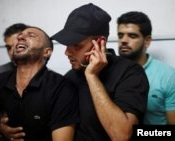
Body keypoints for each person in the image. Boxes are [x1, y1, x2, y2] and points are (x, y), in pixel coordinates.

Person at [51, 3, 149, 141]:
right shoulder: (69, 77)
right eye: (67, 44)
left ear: (99, 42)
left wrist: (92, 76)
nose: (67, 52)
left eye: (76, 45)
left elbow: (121, 136)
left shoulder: (130, 72)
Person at [117, 11, 175, 125]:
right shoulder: (107, 71)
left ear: (147, 41)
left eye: (132, 36)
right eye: (120, 35)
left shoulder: (168, 76)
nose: (123, 40)